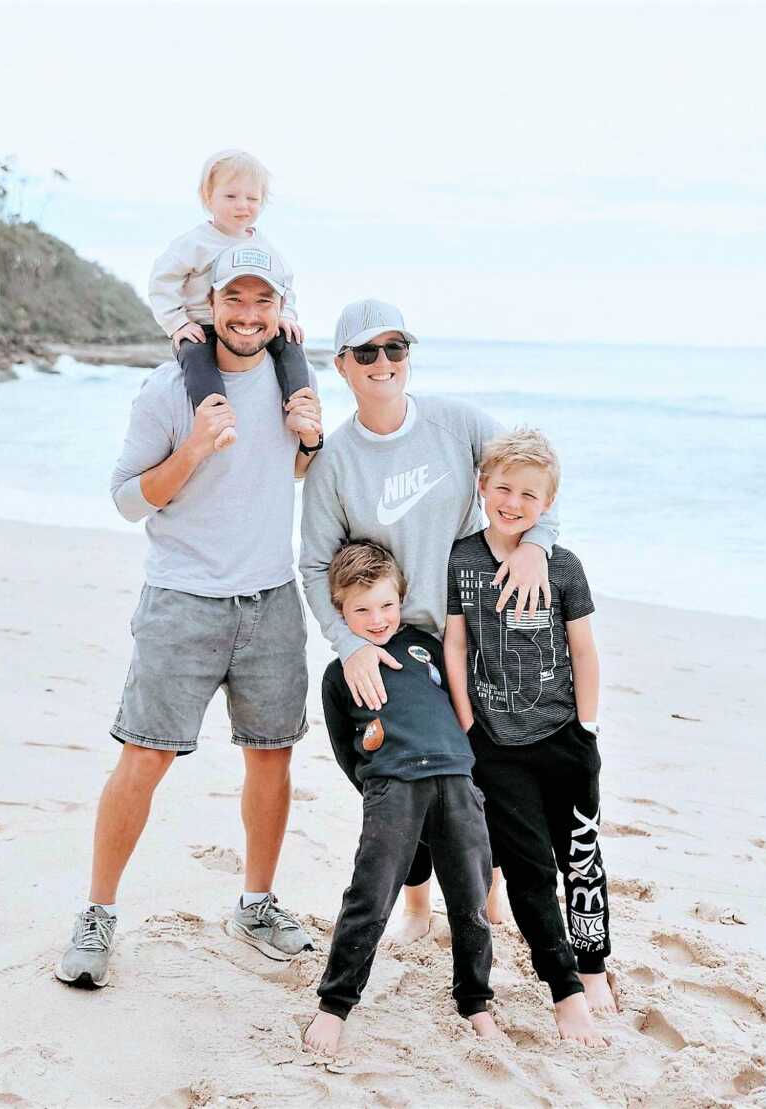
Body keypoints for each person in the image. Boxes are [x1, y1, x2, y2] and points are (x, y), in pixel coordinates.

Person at [55, 251, 323, 989]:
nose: (247, 312)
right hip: (182, 599)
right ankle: (97, 913)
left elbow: (288, 472)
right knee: (144, 757)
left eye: (261, 299)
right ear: (208, 304)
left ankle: (256, 904)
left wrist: (310, 441)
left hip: (270, 600)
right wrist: (195, 448)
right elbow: (128, 498)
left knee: (272, 757)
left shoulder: (294, 379)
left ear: (278, 307)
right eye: (232, 297)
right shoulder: (170, 389)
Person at [299, 298, 558, 941]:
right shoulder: (333, 462)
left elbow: (531, 488)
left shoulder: (459, 424)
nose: (383, 363)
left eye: (395, 348)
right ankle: (416, 902)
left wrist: (535, 547)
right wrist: (347, 644)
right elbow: (313, 566)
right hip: (398, 644)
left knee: (493, 769)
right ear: (342, 366)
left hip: (479, 629)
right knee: (403, 775)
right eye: (366, 353)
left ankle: (490, 890)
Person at [444, 426, 615, 1047]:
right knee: (529, 869)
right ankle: (566, 992)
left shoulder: (564, 567)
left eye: (529, 495)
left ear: (547, 506)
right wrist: (467, 723)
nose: (513, 503)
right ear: (483, 487)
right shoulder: (462, 560)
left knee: (582, 860)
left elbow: (583, 649)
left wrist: (588, 727)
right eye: (504, 489)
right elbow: (456, 643)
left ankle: (594, 968)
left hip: (565, 737)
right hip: (496, 744)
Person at [304, 542, 497, 1056]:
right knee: (369, 895)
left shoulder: (425, 647)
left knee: (469, 900)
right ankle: (335, 1004)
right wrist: (377, 784)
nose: (376, 618)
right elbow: (346, 749)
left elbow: (463, 700)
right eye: (360, 609)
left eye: (386, 605)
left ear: (402, 598)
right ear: (340, 611)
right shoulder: (339, 674)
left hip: (456, 777)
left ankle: (475, 1001)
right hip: (392, 785)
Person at [148, 148, 315, 447]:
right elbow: (163, 282)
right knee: (196, 359)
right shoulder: (194, 243)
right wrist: (177, 324)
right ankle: (216, 420)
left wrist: (287, 316)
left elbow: (285, 283)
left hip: (250, 325)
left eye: (252, 198)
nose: (243, 205)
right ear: (208, 196)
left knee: (291, 343)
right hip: (200, 325)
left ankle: (299, 406)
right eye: (231, 196)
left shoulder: (262, 244)